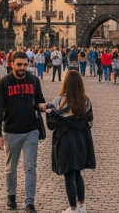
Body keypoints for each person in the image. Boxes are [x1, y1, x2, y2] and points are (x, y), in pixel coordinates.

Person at [0, 52, 46, 213]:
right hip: (11, 131)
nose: (23, 68)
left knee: (30, 166)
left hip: (31, 130)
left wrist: (41, 105)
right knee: (11, 167)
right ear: (12, 64)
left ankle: (30, 202)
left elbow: (39, 100)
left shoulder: (34, 80)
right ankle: (11, 196)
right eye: (19, 65)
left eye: (25, 64)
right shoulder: (4, 83)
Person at [47, 71, 95, 213]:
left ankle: (72, 207)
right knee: (77, 173)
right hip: (81, 140)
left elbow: (51, 125)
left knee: (69, 173)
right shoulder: (85, 101)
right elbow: (89, 119)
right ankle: (82, 205)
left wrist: (47, 111)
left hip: (65, 140)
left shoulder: (59, 102)